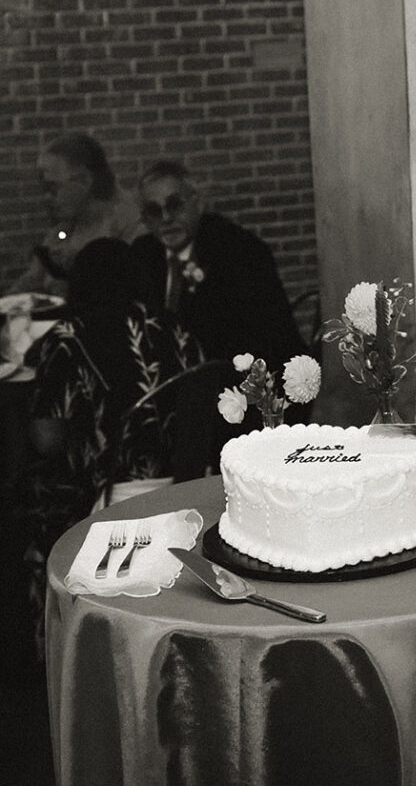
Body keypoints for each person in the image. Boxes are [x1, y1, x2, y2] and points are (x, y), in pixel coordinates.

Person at [20, 237, 204, 651]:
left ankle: (59, 640)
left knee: (27, 496)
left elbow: (47, 438)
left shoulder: (69, 337)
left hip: (107, 493)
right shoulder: (172, 326)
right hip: (186, 483)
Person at [129, 160, 306, 374]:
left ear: (198, 203)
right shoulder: (142, 256)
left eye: (175, 205)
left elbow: (264, 339)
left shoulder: (237, 251)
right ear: (145, 220)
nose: (166, 218)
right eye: (154, 211)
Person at [5, 134, 142, 298]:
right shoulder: (65, 227)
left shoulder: (130, 225)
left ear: (84, 180)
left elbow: (129, 291)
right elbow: (33, 278)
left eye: (52, 187)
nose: (47, 197)